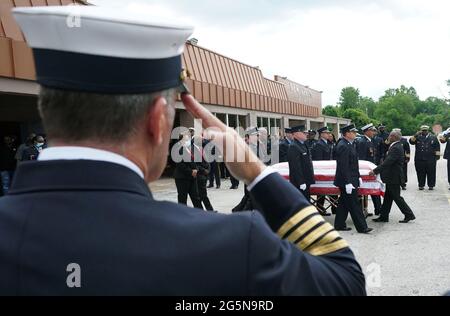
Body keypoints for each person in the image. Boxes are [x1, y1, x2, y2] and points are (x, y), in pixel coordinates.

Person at [0, 6, 366, 296]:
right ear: (159, 121)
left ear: (47, 113)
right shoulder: (231, 246)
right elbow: (344, 281)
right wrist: (256, 172)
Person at [334, 124, 373, 234]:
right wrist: (347, 182)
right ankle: (362, 227)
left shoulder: (349, 144)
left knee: (343, 203)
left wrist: (358, 176)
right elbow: (343, 166)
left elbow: (353, 165)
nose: (355, 134)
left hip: (351, 179)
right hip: (347, 181)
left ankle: (339, 224)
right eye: (353, 132)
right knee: (354, 204)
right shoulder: (343, 146)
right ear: (347, 133)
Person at [371, 131, 416, 223]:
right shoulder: (396, 146)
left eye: (390, 136)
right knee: (388, 197)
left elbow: (388, 162)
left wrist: (375, 171)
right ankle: (384, 216)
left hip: (394, 177)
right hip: (392, 176)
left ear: (393, 137)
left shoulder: (396, 147)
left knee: (397, 197)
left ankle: (409, 214)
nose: (388, 137)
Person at [355, 124, 382, 217]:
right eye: (372, 130)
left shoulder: (369, 141)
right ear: (366, 131)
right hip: (365, 170)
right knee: (368, 190)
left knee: (373, 188)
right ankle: (373, 209)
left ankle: (377, 209)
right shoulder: (362, 142)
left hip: (371, 169)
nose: (374, 132)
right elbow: (361, 159)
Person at [174, 132, 203, 209]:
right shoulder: (177, 149)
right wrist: (191, 171)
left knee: (196, 197)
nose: (187, 141)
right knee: (182, 198)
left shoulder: (189, 148)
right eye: (186, 139)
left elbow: (195, 161)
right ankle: (183, 216)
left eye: (188, 139)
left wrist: (196, 169)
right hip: (182, 178)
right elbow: (180, 164)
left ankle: (201, 214)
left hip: (192, 177)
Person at [288, 125, 315, 201]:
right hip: (299, 182)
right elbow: (295, 166)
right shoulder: (294, 146)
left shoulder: (303, 144)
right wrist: (301, 182)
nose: (306, 134)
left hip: (306, 180)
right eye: (304, 132)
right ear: (296, 134)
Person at [409, 126, 441, 191]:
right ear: (421, 131)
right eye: (423, 131)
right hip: (419, 159)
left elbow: (437, 147)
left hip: (431, 159)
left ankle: (431, 185)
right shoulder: (417, 137)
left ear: (428, 130)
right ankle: (421, 185)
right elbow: (411, 142)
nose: (424, 132)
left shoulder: (433, 137)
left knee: (431, 173)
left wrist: (437, 156)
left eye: (425, 130)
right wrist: (415, 135)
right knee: (420, 173)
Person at [311, 126, 333, 216]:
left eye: (329, 133)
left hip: (328, 169)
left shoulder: (326, 143)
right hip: (322, 170)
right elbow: (319, 160)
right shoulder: (319, 144)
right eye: (327, 133)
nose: (329, 134)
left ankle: (324, 207)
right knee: (321, 192)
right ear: (321, 134)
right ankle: (320, 208)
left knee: (325, 192)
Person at [193, 136, 214, 211]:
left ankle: (199, 210)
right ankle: (210, 210)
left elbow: (207, 160)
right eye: (201, 140)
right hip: (200, 175)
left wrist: (208, 169)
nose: (203, 141)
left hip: (205, 174)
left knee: (201, 195)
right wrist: (204, 170)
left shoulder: (201, 148)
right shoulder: (193, 150)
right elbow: (195, 164)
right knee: (203, 194)